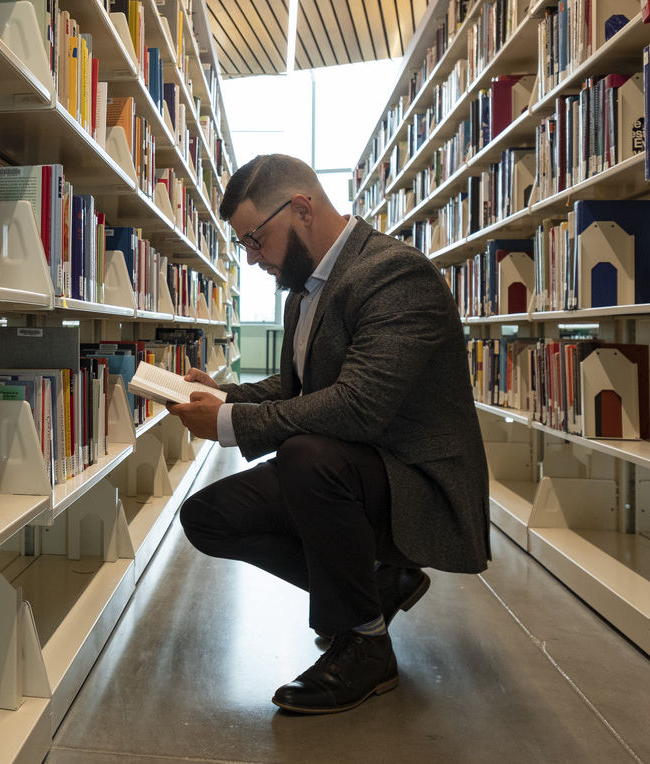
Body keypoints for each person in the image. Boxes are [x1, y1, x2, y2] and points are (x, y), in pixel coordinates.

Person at [166, 154, 490, 715]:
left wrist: (226, 425)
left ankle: (364, 644)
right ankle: (376, 590)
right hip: (351, 473)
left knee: (306, 456)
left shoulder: (393, 273)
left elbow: (357, 406)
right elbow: (298, 388)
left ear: (301, 208)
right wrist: (221, 396)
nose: (253, 257)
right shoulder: (305, 292)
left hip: (414, 484)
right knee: (207, 517)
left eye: (255, 239)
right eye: (244, 244)